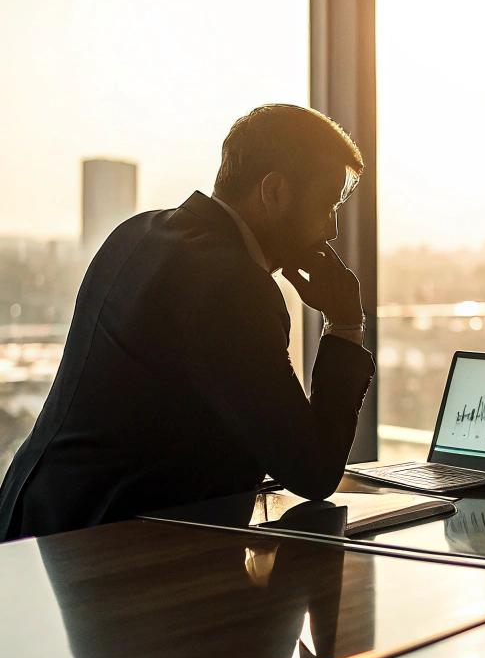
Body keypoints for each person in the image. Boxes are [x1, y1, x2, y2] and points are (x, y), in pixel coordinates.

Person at [0, 104, 375, 540]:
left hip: (36, 521)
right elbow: (312, 470)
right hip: (103, 551)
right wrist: (346, 323)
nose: (330, 230)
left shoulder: (137, 232)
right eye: (325, 207)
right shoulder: (233, 285)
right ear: (274, 192)